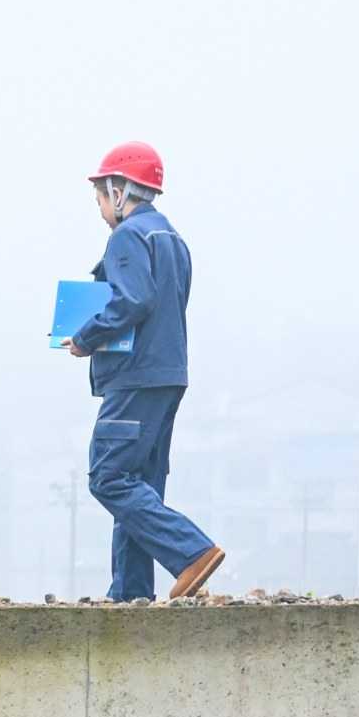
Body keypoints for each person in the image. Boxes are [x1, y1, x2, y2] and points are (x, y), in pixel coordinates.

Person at [62, 141, 224, 601]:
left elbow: (132, 300)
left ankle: (192, 551)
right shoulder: (173, 239)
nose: (99, 208)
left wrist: (86, 337)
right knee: (139, 486)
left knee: (109, 477)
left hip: (135, 377)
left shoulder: (128, 237)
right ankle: (131, 593)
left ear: (119, 191)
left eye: (100, 196)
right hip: (169, 375)